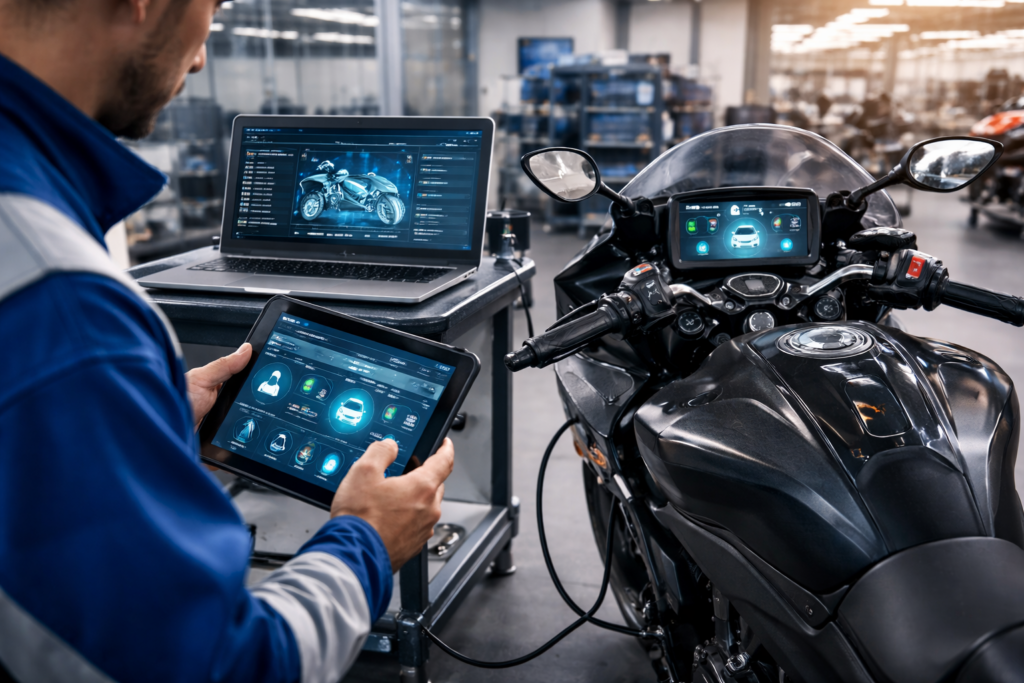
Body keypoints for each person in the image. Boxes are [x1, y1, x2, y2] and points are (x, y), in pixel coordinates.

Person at [0, 1, 454, 682]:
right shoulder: (65, 307)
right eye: (212, 6)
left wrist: (133, 416)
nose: (205, 51)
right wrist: (365, 541)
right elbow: (217, 665)